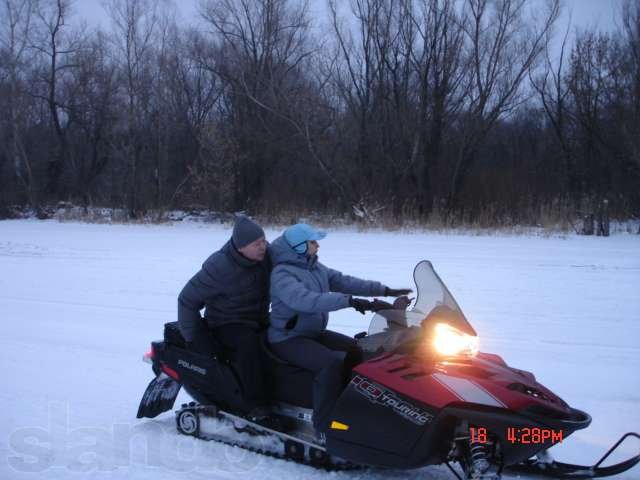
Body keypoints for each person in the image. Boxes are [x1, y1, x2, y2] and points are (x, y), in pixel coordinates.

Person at [267, 223, 411, 436]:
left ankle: (361, 410)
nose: (318, 246)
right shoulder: (282, 274)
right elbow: (306, 301)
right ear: (299, 247)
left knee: (361, 350)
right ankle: (324, 426)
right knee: (331, 363)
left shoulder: (314, 267)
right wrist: (350, 302)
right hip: (287, 338)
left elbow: (345, 281)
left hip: (312, 333)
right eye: (313, 242)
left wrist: (384, 290)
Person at [177, 215, 271, 417]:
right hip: (226, 322)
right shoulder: (219, 267)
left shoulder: (265, 256)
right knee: (249, 346)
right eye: (257, 244)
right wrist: (195, 339)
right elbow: (187, 300)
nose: (263, 246)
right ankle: (255, 406)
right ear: (240, 248)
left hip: (258, 318)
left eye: (264, 240)